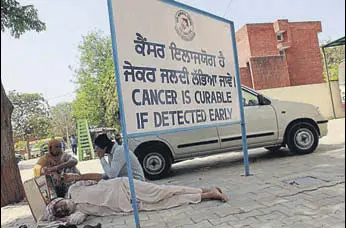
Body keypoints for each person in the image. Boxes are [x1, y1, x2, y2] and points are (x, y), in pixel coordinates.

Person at [44, 175, 229, 225]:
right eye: (59, 212)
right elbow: (72, 221)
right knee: (167, 202)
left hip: (124, 186)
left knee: (162, 191)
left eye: (58, 206)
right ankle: (208, 195)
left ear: (58, 200)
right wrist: (57, 220)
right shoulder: (80, 212)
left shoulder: (74, 189)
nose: (61, 209)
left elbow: (98, 177)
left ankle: (204, 188)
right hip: (130, 206)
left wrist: (74, 178)